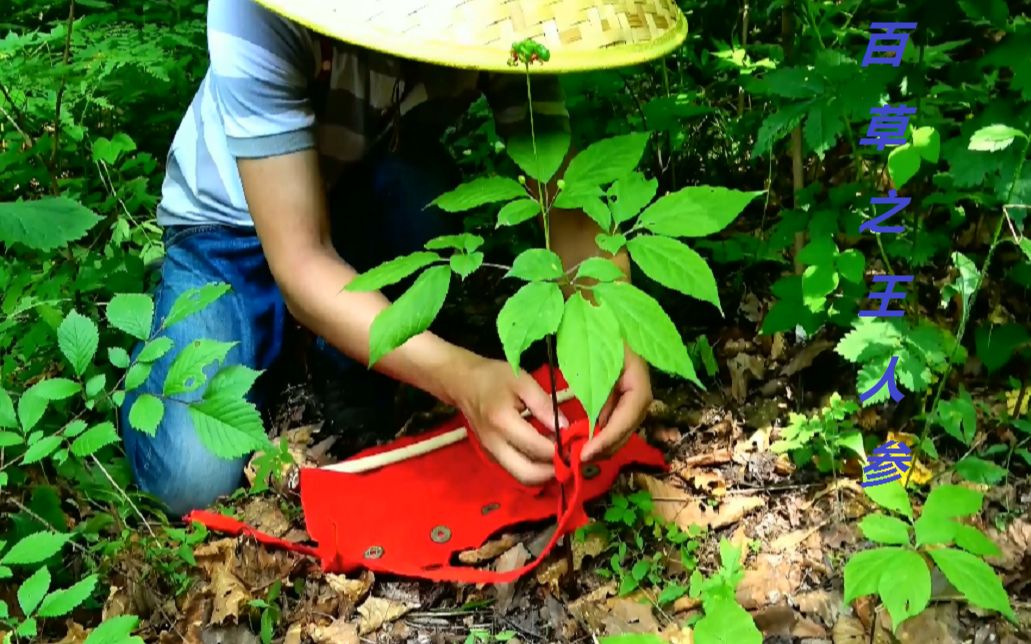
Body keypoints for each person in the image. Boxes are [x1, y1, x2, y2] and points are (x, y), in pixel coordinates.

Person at [120, 0, 657, 517]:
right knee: (191, 473)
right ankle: (278, 336)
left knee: (416, 194)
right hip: (224, 231)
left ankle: (335, 353)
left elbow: (561, 195)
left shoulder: (504, 21)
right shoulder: (259, 11)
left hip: (365, 197)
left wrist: (614, 325)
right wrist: (462, 377)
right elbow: (302, 259)